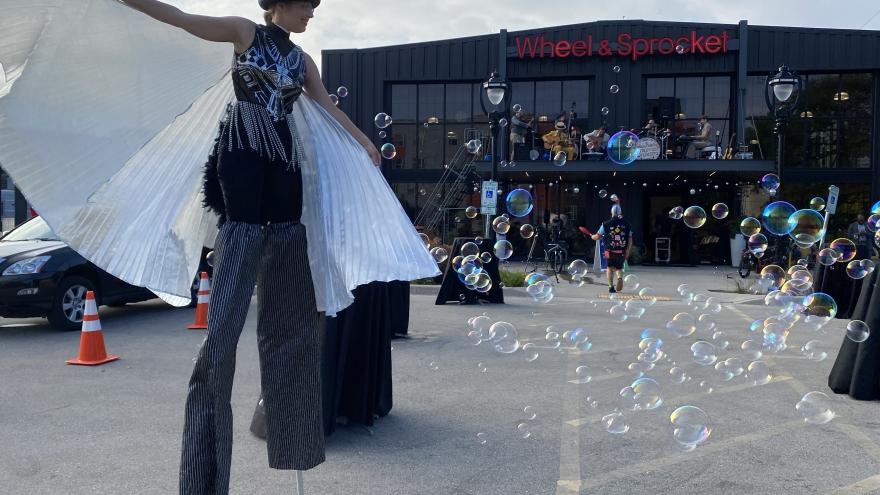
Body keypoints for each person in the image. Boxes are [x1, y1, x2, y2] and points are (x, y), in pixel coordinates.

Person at [99, 1, 437, 494]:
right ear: (280, 3)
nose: (311, 13)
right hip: (242, 152)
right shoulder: (244, 32)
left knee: (292, 313)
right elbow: (183, 20)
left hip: (284, 162)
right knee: (225, 321)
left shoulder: (302, 60)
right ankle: (204, 478)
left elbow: (328, 108)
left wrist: (365, 142)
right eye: (305, 5)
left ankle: (295, 443)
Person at [591, 205, 633, 293]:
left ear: (611, 212)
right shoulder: (627, 224)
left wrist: (592, 236)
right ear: (620, 212)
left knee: (609, 268)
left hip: (610, 251)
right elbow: (630, 238)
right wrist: (628, 250)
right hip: (622, 250)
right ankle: (619, 277)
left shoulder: (605, 224)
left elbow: (597, 236)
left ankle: (611, 287)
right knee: (619, 267)